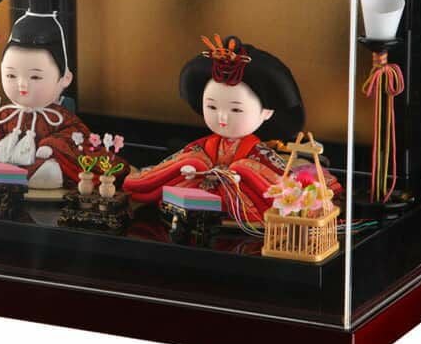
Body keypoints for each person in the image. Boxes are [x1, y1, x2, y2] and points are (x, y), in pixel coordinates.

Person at [123, 34, 340, 222]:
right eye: (212, 107)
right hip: (202, 188)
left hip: (238, 192)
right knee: (188, 169)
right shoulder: (206, 145)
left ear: (266, 112)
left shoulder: (258, 152)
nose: (222, 117)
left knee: (246, 171)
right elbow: (184, 159)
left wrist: (238, 172)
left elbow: (273, 176)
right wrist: (193, 166)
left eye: (236, 109)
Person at [0, 0, 97, 189]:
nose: (22, 85)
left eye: (35, 77)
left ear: (65, 78)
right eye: (11, 76)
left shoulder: (59, 117)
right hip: (0, 163)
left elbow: (75, 136)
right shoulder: (5, 114)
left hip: (38, 164)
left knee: (49, 170)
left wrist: (51, 144)